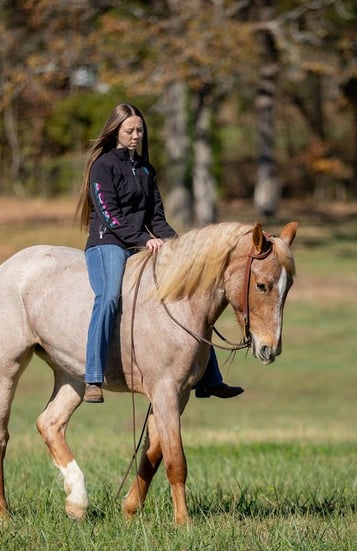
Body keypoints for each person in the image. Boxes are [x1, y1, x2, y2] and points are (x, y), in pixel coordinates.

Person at [76, 102, 244, 404]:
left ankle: (210, 378)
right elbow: (110, 215)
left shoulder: (145, 169)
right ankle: (92, 376)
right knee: (110, 296)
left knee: (191, 290)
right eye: (129, 130)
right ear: (116, 131)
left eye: (140, 130)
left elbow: (157, 219)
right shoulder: (102, 167)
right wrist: (144, 239)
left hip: (139, 243)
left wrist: (179, 246)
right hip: (107, 243)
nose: (136, 135)